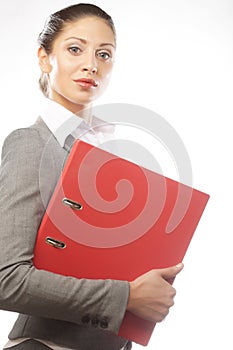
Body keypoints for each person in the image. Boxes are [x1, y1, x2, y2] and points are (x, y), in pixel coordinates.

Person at [0, 3, 183, 350]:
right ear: (44, 57)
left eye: (104, 54)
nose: (91, 64)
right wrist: (125, 296)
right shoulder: (31, 144)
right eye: (74, 49)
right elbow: (5, 279)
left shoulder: (111, 154)